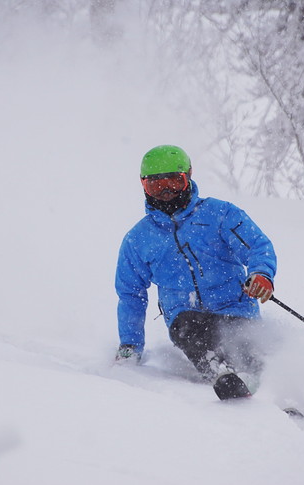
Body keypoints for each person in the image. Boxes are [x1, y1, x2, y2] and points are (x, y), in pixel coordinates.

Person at [114, 145, 277, 395]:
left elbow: (257, 246)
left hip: (235, 310)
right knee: (186, 325)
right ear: (143, 186)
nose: (166, 192)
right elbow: (131, 294)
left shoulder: (220, 214)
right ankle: (221, 372)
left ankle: (280, 395)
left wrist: (261, 274)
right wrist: (130, 344)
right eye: (156, 186)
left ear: (188, 177)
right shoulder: (139, 239)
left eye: (173, 182)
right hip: (186, 318)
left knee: (248, 349)